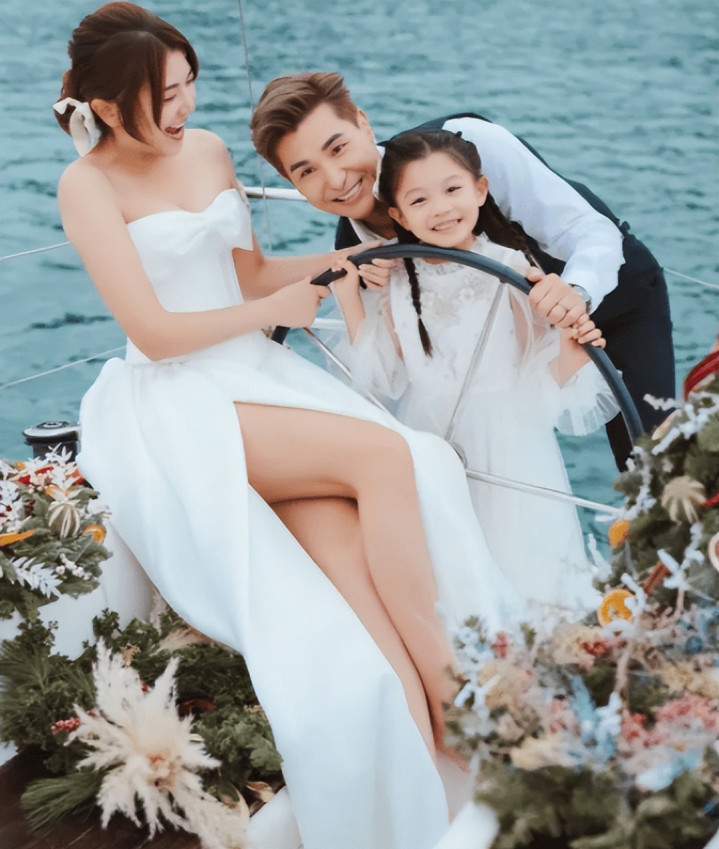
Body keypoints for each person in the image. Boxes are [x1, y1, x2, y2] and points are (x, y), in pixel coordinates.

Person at [53, 5, 519, 849]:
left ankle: (424, 774)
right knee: (386, 454)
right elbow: (154, 329)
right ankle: (453, 694)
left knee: (353, 574)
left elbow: (253, 272)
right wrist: (274, 310)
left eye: (188, 85)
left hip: (251, 376)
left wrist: (361, 257)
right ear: (110, 105)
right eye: (164, 96)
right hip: (175, 399)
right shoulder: (85, 185)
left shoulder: (208, 150)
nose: (185, 107)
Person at [250, 71, 676, 469]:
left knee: (654, 469)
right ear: (290, 182)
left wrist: (576, 292)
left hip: (617, 302)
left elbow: (588, 230)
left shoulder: (468, 145)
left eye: (338, 148)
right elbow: (401, 368)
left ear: (363, 123)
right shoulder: (354, 259)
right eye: (307, 171)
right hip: (524, 375)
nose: (335, 178)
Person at [329, 128, 617, 610]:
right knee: (445, 576)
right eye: (419, 200)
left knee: (526, 571)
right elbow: (381, 379)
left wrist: (573, 349)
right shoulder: (397, 278)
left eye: (452, 190)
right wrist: (349, 300)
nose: (441, 209)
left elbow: (540, 381)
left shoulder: (514, 269)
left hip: (512, 446)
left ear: (480, 190)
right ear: (397, 215)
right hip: (429, 443)